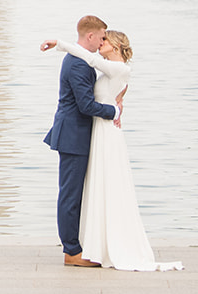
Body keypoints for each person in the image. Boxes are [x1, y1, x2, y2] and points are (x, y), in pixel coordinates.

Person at [42, 29, 181, 272]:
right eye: (100, 38)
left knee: (105, 186)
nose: (101, 43)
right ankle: (92, 243)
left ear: (115, 45)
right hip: (97, 132)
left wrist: (59, 43)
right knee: (95, 188)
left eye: (106, 40)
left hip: (105, 133)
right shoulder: (108, 68)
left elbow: (93, 65)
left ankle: (95, 244)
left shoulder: (119, 68)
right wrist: (116, 107)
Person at [42, 14, 121, 267]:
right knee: (70, 195)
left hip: (77, 134)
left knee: (75, 193)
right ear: (90, 35)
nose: (102, 42)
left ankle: (77, 245)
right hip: (73, 135)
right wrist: (114, 113)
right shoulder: (77, 64)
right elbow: (85, 105)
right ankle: (72, 251)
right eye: (101, 36)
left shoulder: (81, 59)